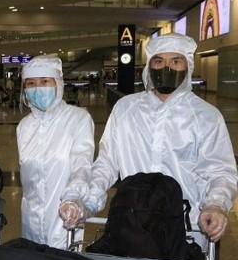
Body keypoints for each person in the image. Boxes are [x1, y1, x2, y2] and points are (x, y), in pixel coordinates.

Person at [84, 34, 238, 243]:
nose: (167, 68)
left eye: (175, 61)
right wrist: (88, 200)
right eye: (159, 61)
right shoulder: (126, 109)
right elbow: (107, 163)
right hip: (131, 224)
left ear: (188, 65)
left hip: (186, 229)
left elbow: (220, 171)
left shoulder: (206, 116)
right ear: (149, 66)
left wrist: (216, 204)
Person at [17, 55, 95, 249]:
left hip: (65, 218)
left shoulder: (78, 119)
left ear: (58, 84)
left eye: (45, 81)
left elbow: (82, 164)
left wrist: (73, 197)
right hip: (30, 221)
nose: (38, 88)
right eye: (31, 83)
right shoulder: (24, 126)